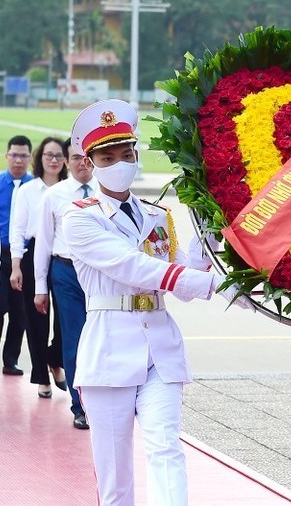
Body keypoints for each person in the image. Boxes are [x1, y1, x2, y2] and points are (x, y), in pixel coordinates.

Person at [63, 99, 253, 506]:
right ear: (91, 162)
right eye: (108, 156)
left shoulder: (157, 213)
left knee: (166, 447)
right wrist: (210, 287)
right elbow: (133, 268)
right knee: (115, 474)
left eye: (127, 154)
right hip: (109, 351)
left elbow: (183, 265)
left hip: (158, 350)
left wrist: (208, 230)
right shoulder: (80, 217)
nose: (120, 162)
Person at [34, 134, 98, 429]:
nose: (82, 163)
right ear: (66, 162)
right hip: (66, 272)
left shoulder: (108, 191)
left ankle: (103, 400)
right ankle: (80, 405)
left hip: (100, 272)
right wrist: (40, 288)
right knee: (73, 338)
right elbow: (43, 244)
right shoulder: (55, 195)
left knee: (102, 337)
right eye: (75, 158)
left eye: (87, 157)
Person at [9, 137, 68, 398]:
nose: (53, 160)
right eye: (48, 155)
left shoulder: (70, 189)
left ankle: (55, 358)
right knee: (36, 319)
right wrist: (16, 265)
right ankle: (41, 375)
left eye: (58, 155)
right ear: (39, 158)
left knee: (65, 318)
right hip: (33, 253)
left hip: (65, 254)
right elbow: (17, 230)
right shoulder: (28, 190)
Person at [0, 136, 34, 376]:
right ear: (6, 156)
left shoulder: (35, 187)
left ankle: (10, 360)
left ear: (30, 158)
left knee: (20, 311)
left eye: (23, 155)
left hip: (25, 255)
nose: (18, 160)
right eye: (14, 155)